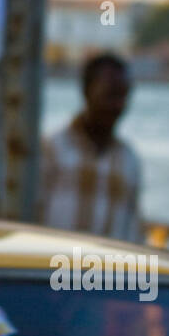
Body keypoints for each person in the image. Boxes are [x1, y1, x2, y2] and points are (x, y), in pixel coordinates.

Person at [37, 52, 142, 243]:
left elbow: (132, 229)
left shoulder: (128, 160)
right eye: (110, 95)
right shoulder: (51, 150)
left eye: (123, 95)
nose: (118, 105)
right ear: (87, 91)